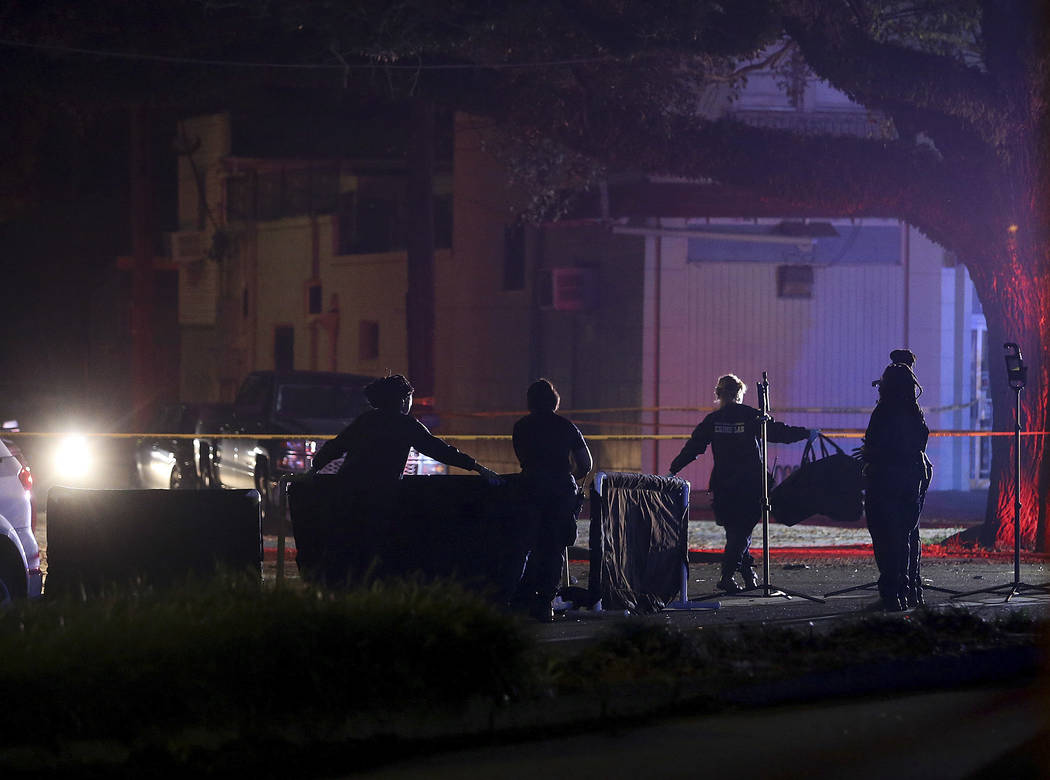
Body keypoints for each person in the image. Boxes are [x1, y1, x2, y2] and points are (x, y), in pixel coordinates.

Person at [309, 374, 501, 585]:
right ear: (403, 400)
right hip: (380, 497)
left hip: (348, 492)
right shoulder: (405, 424)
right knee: (377, 547)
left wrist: (314, 469)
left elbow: (336, 446)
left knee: (347, 547)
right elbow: (439, 450)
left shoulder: (365, 420)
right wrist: (476, 467)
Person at [667, 374, 817, 593]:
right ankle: (727, 576)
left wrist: (673, 469)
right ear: (740, 393)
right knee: (742, 532)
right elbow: (779, 433)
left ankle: (748, 575)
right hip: (751, 484)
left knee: (736, 533)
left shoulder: (713, 420)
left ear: (718, 394)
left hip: (724, 486)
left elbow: (694, 447)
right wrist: (807, 433)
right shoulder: (751, 417)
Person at [511, 379, 593, 621]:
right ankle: (545, 601)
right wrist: (569, 478)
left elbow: (523, 458)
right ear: (554, 401)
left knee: (525, 545)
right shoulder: (566, 427)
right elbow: (586, 464)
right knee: (554, 547)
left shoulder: (520, 427)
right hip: (560, 492)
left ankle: (520, 598)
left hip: (529, 489)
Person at [861, 349, 933, 611]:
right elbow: (920, 442)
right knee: (907, 536)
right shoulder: (916, 413)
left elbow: (873, 445)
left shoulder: (883, 413)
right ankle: (910, 590)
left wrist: (868, 460)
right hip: (911, 479)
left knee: (884, 535)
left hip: (884, 480)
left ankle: (891, 593)